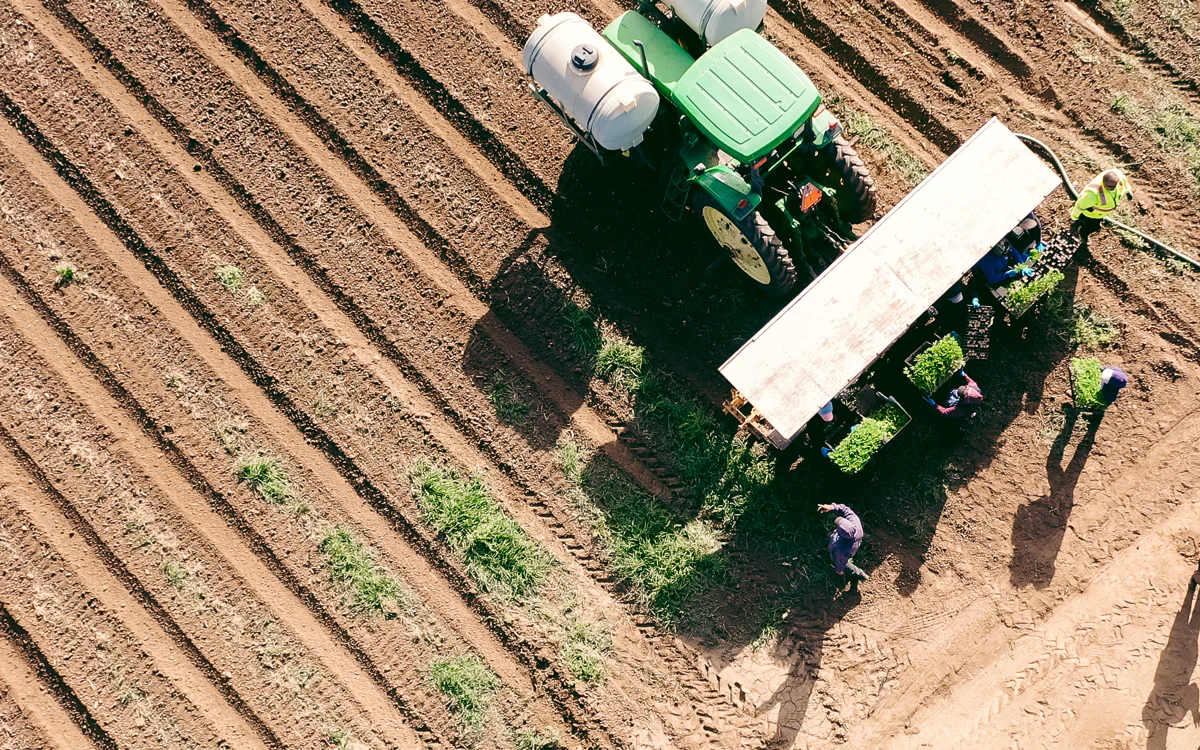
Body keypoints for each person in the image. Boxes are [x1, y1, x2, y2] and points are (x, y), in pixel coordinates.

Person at [1071, 169, 1133, 243]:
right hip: (1091, 215)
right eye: (1109, 186)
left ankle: (1084, 224)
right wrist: (1074, 217)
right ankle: (1083, 232)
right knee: (1090, 227)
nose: (1112, 188)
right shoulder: (1092, 194)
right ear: (1103, 182)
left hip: (1100, 214)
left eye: (1114, 186)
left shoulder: (1118, 177)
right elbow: (1079, 206)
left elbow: (1125, 183)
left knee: (1094, 224)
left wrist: (1128, 191)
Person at [817, 503, 868, 584]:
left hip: (843, 552)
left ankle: (859, 574)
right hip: (847, 540)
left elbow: (841, 561)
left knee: (845, 565)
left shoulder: (844, 550)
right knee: (830, 537)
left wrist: (839, 570)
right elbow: (845, 509)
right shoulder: (854, 521)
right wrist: (831, 507)